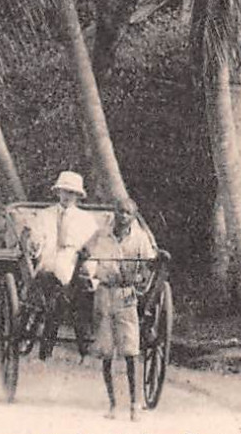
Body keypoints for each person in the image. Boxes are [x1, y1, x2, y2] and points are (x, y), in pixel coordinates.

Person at [81, 199, 156, 420]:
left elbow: (149, 265)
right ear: (113, 213)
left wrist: (142, 277)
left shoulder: (140, 239)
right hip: (104, 294)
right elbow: (85, 253)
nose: (122, 216)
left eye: (127, 213)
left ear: (133, 216)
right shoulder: (102, 235)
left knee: (131, 351)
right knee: (107, 352)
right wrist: (87, 269)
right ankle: (113, 404)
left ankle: (134, 404)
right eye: (119, 212)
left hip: (126, 296)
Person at [23, 171, 99, 355]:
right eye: (64, 191)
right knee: (51, 285)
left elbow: (93, 247)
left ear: (78, 196)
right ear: (58, 192)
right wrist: (34, 245)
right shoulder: (44, 215)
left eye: (71, 193)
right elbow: (35, 240)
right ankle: (43, 338)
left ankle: (56, 343)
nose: (67, 196)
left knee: (68, 293)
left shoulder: (86, 220)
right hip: (49, 261)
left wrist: (86, 264)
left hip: (73, 263)